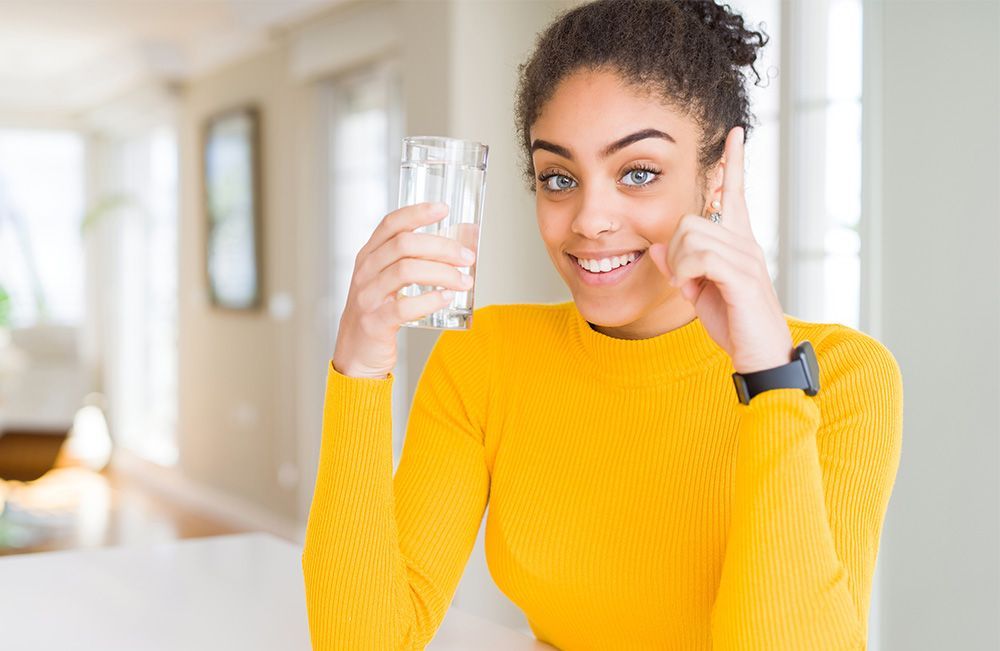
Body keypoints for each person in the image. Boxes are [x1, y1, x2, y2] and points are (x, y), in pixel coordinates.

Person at [302, 0, 903, 649]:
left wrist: (769, 378)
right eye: (558, 178)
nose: (589, 218)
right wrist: (358, 365)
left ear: (718, 178)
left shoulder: (844, 376)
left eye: (638, 173)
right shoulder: (485, 360)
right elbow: (363, 640)